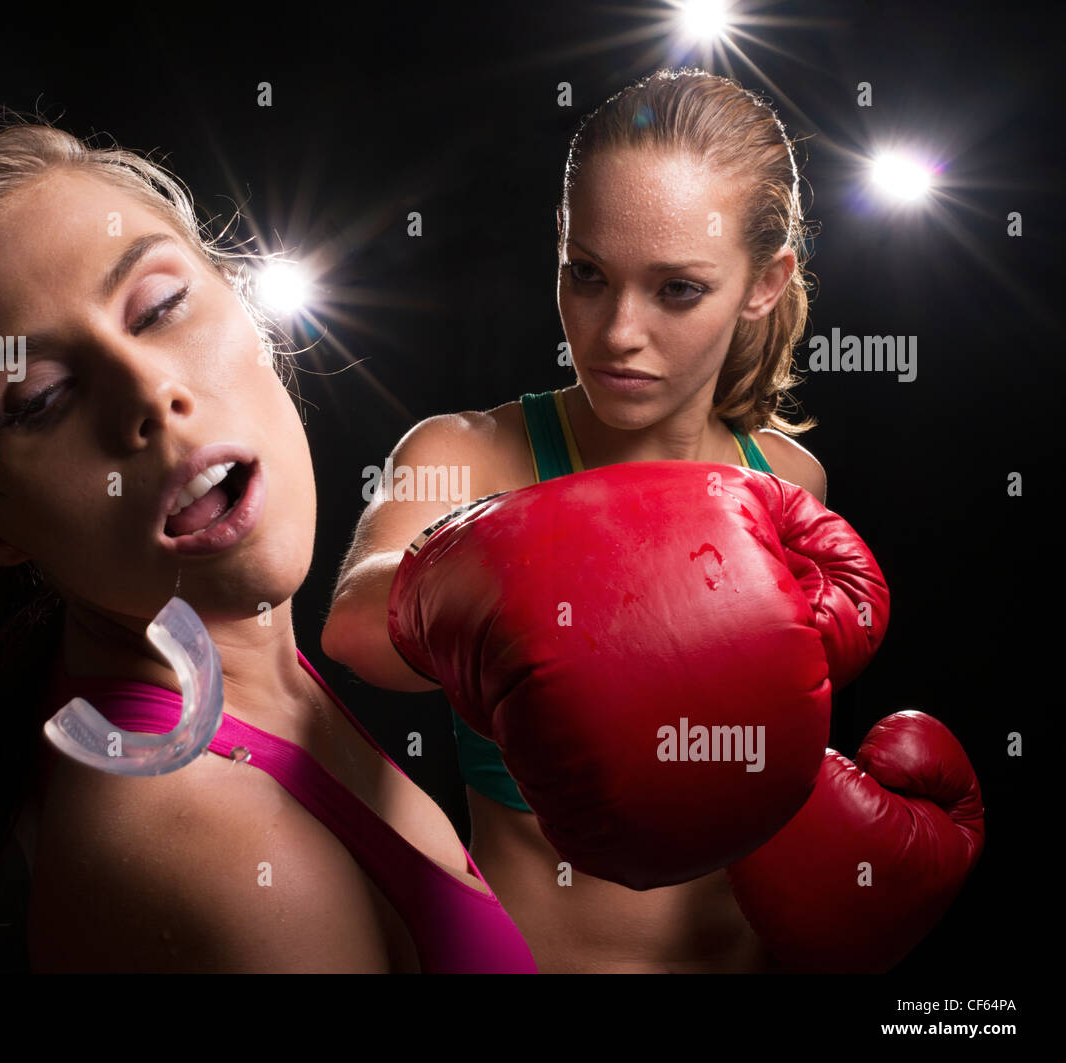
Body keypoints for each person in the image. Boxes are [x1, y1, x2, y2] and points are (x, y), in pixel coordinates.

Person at [0, 114, 536, 974]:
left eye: (160, 306)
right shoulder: (223, 863)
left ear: (241, 296)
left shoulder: (249, 686)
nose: (150, 390)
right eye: (42, 398)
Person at [322, 68, 833, 973]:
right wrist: (539, 586)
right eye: (586, 275)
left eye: (677, 289)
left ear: (765, 283)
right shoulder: (468, 453)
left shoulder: (788, 483)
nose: (615, 332)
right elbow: (356, 625)